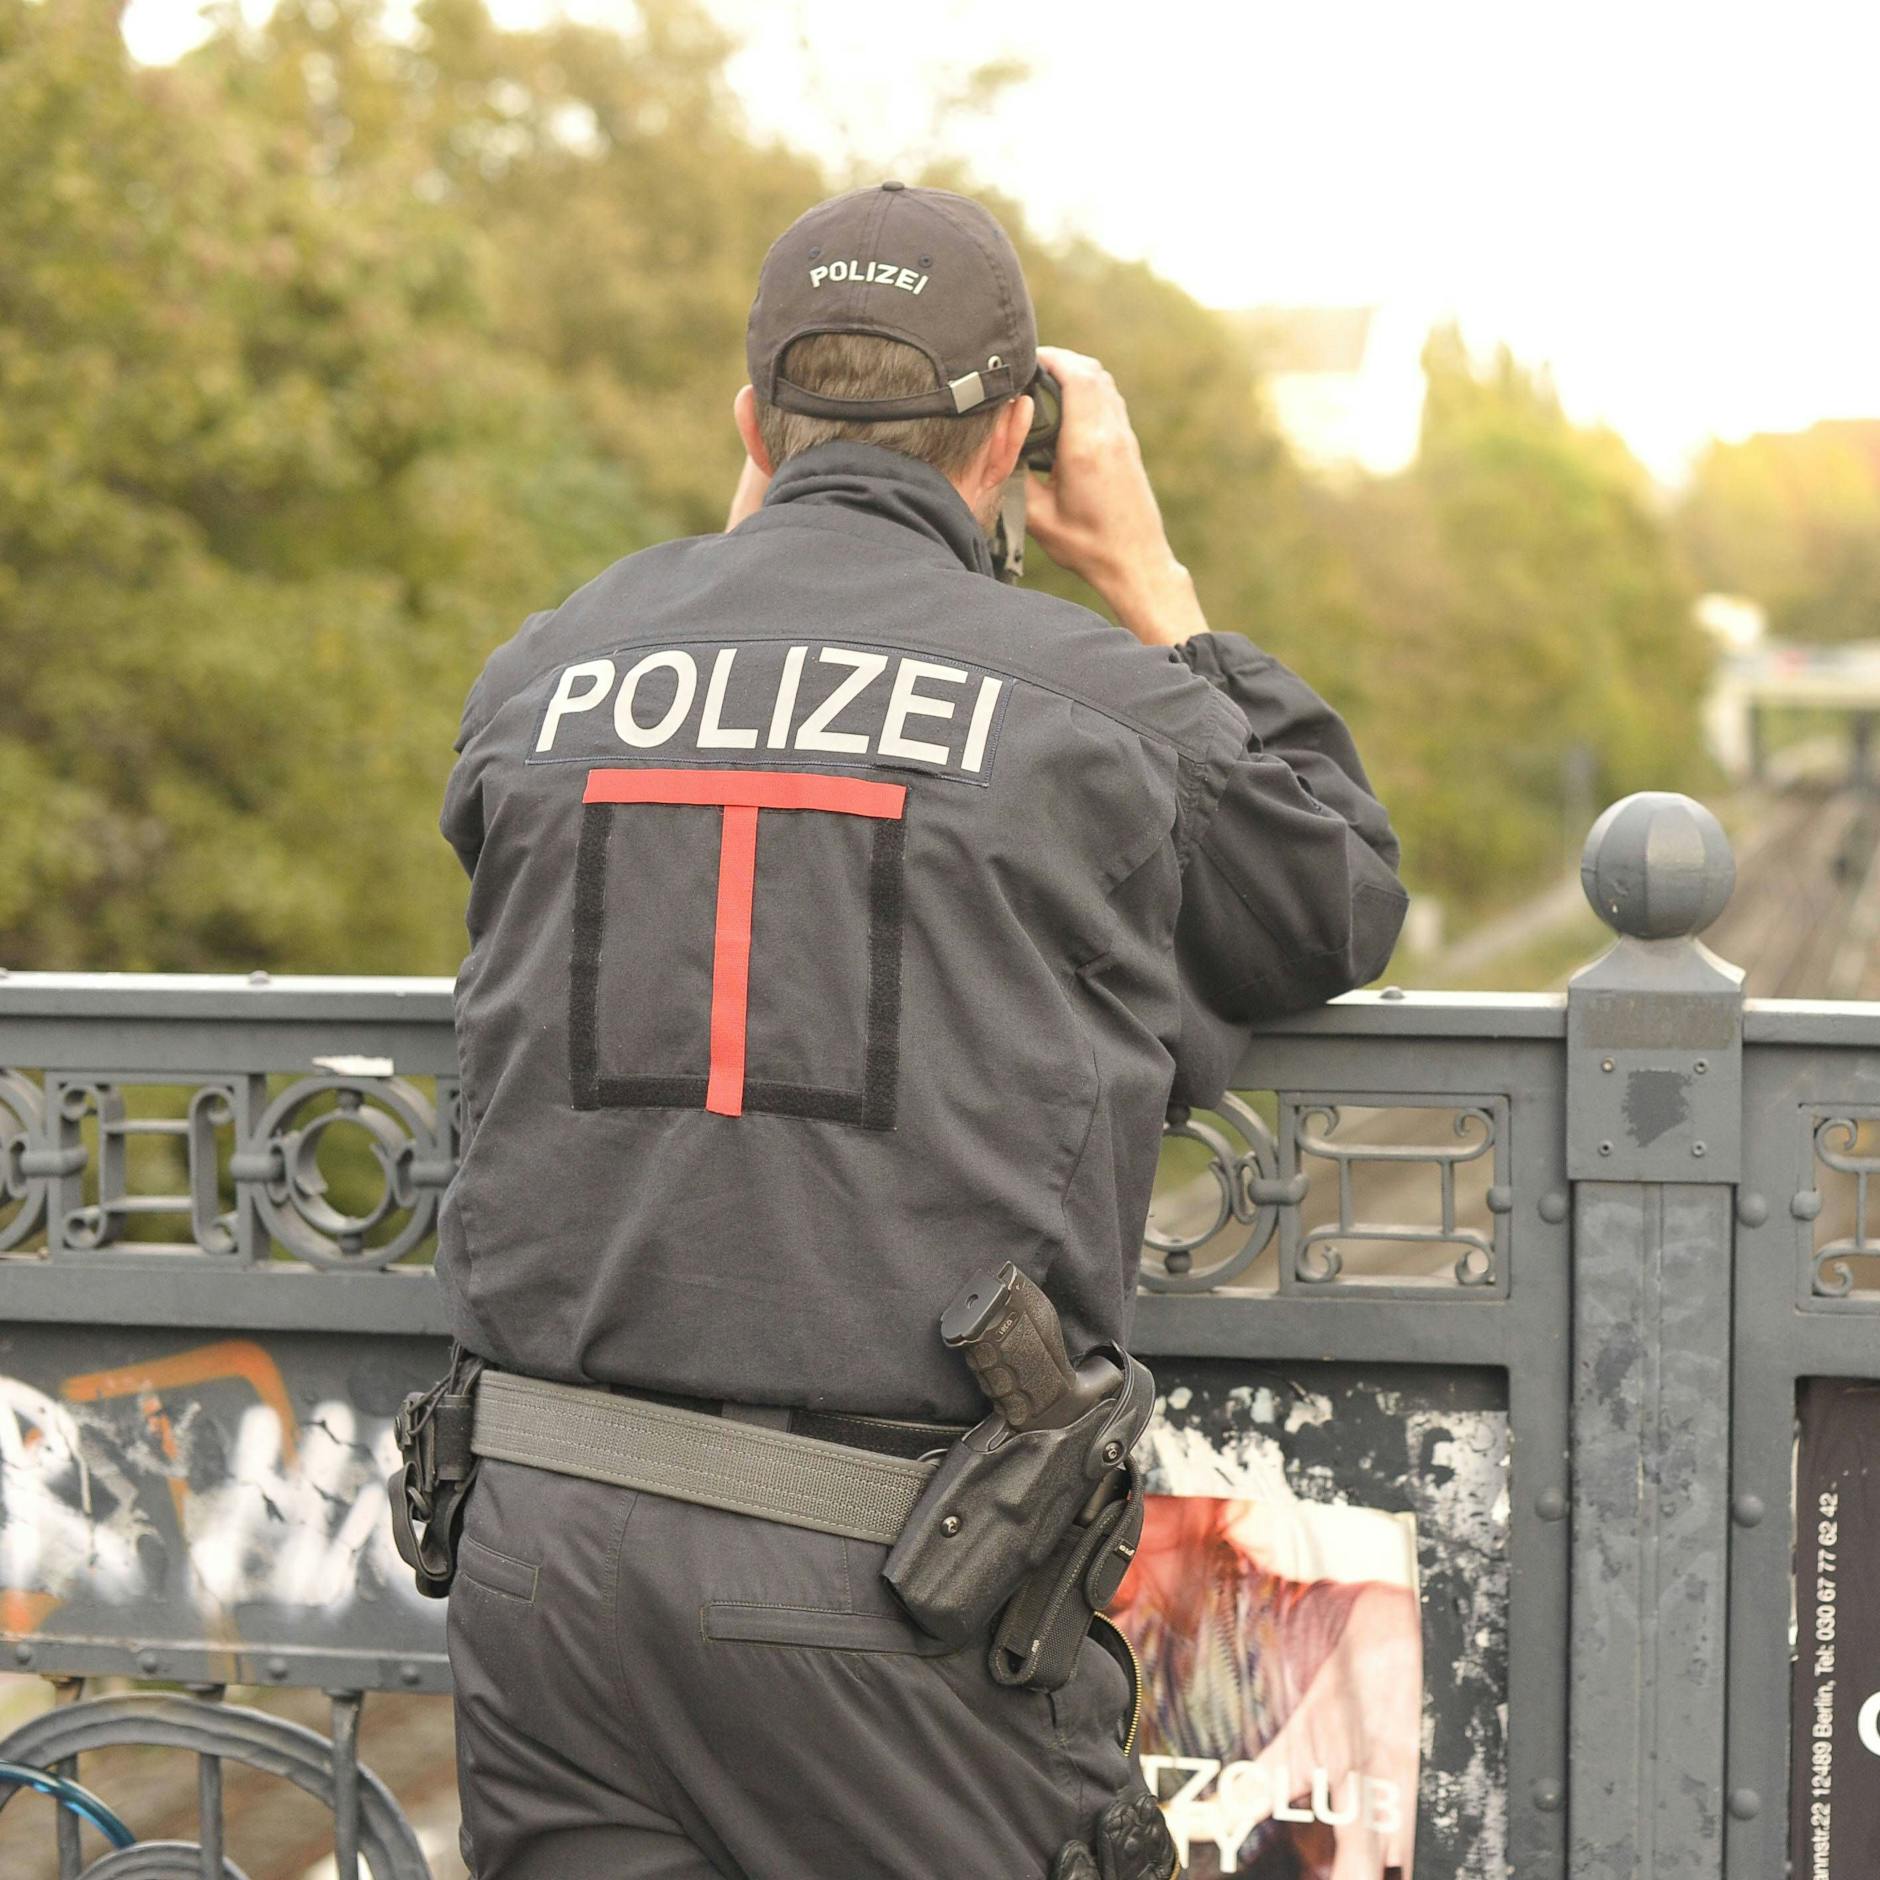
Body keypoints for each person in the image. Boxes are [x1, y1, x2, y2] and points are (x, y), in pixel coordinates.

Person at [433, 181, 1407, 1879]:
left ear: (753, 426)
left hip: (541, 1559)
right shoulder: (1097, 709)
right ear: (1019, 438)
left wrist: (741, 575)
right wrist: (1150, 575)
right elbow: (1329, 898)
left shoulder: (541, 676)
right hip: (888, 1589)